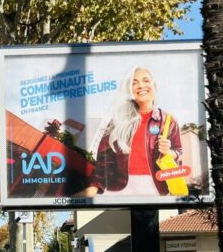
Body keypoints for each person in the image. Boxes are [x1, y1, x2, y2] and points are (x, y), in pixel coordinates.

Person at [78, 66, 183, 196]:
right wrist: (95, 187)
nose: (141, 86)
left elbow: (179, 152)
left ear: (154, 85)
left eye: (146, 80)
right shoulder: (118, 120)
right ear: (129, 90)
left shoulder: (168, 120)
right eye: (134, 83)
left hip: (156, 188)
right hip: (119, 189)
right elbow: (105, 158)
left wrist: (168, 152)